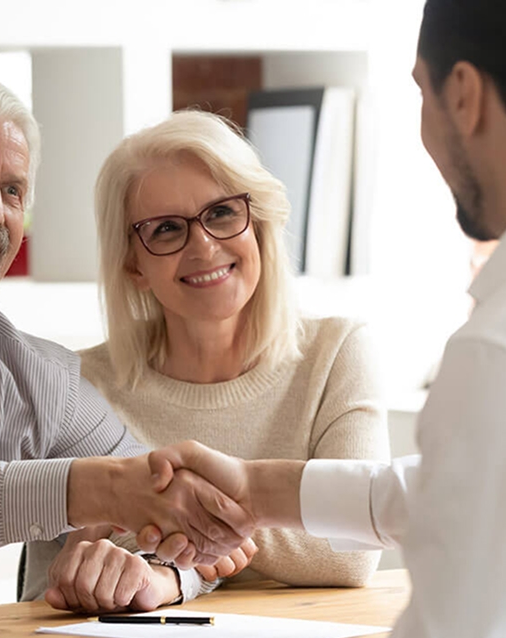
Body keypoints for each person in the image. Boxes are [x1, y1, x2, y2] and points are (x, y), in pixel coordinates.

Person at [142, 1, 506, 638]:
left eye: (419, 94)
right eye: (162, 228)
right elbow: (435, 493)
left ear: (461, 94)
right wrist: (253, 490)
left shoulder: (487, 353)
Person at [0, 71, 254, 618]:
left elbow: (158, 496)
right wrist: (94, 489)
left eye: (12, 190)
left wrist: (163, 571)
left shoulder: (39, 377)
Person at [22, 110, 390, 611]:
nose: (203, 247)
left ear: (258, 222)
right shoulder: (74, 386)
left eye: (221, 213)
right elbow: (48, 587)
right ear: (133, 263)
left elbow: (350, 548)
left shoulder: (337, 353)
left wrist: (173, 541)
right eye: (168, 229)